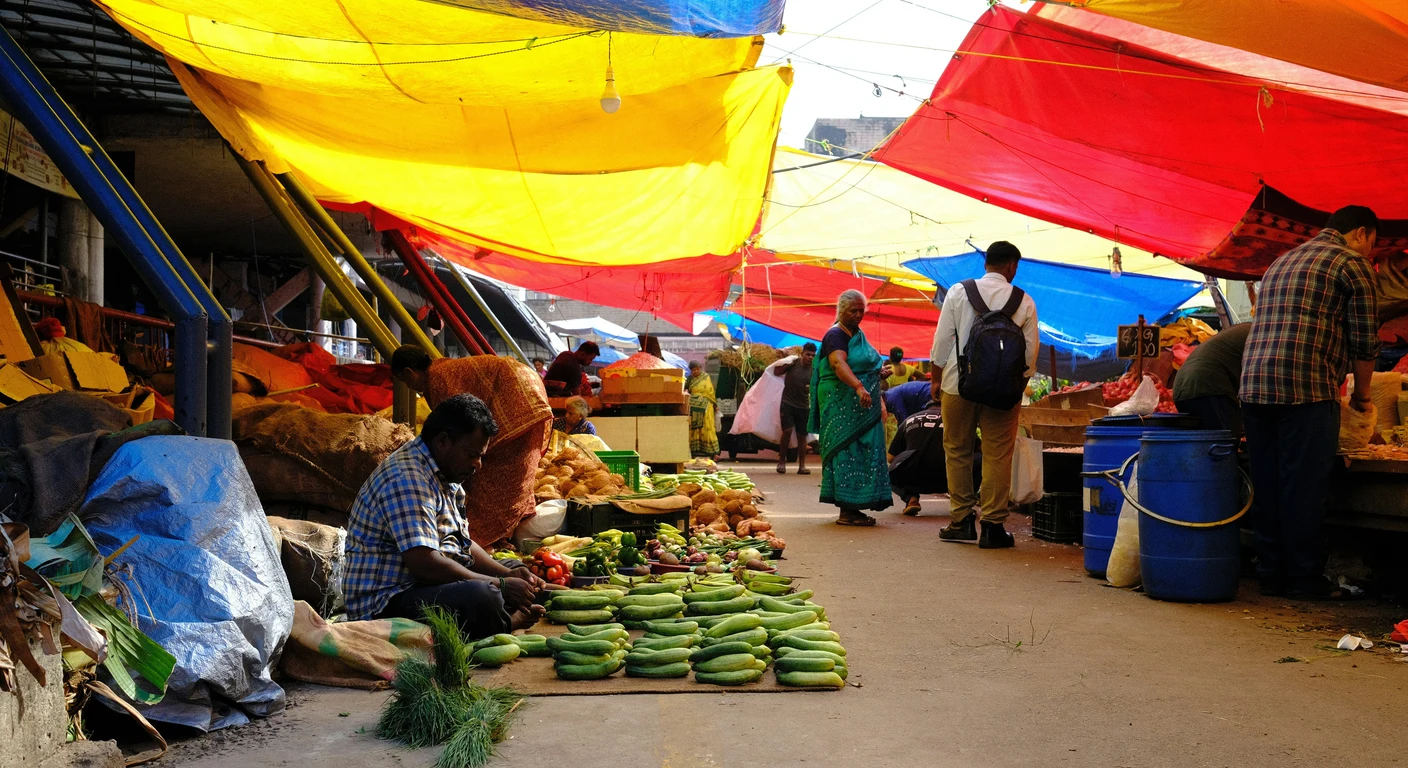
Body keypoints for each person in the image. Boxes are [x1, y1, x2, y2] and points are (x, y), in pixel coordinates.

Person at [1241, 206, 1381, 600]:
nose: (1370, 252)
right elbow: (1365, 342)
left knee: (1268, 482)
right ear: (1360, 233)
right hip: (1307, 386)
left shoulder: (1281, 261)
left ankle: (1270, 574)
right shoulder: (1352, 263)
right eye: (1372, 243)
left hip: (1254, 385)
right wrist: (1363, 397)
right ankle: (1303, 580)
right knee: (1303, 486)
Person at [343, 394, 547, 638]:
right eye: (472, 455)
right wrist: (499, 585)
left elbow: (462, 544)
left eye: (480, 456)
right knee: (483, 597)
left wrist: (506, 575)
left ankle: (502, 611)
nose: (478, 464)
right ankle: (508, 622)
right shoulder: (407, 479)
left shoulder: (445, 474)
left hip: (424, 586)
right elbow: (425, 565)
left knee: (514, 570)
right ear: (442, 442)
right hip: (385, 604)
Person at [930, 241, 1038, 549]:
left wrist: (936, 378)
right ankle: (992, 526)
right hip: (1004, 391)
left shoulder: (958, 291)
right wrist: (1016, 385)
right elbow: (1030, 353)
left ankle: (961, 521)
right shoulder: (1024, 300)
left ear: (986, 263)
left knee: (957, 450)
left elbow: (942, 340)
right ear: (1011, 266)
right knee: (998, 454)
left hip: (958, 384)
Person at [389, 346, 552, 545]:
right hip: (529, 393)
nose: (409, 386)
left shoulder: (436, 379)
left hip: (518, 404)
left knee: (494, 478)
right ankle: (496, 537)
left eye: (405, 381)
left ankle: (487, 537)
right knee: (499, 474)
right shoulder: (441, 369)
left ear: (409, 372)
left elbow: (454, 432)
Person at [811, 290, 894, 526]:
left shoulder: (857, 334)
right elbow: (838, 364)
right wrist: (858, 386)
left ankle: (854, 508)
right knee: (846, 450)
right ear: (841, 311)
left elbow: (860, 365)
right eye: (852, 311)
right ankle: (847, 511)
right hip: (841, 404)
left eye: (861, 310)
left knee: (862, 451)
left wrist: (876, 373)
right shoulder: (835, 335)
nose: (858, 315)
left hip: (860, 405)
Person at [1173, 323, 1251, 438]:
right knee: (1224, 441)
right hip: (1208, 386)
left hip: (1181, 386)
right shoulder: (1259, 336)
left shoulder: (1246, 330)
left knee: (1203, 442)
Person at [887, 399, 947, 516]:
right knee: (978, 459)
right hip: (950, 477)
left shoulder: (910, 419)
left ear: (925, 409)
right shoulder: (956, 419)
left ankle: (911, 498)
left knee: (890, 472)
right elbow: (977, 448)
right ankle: (963, 503)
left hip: (916, 475)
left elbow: (890, 458)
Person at [771, 342, 817, 475]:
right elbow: (776, 372)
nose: (810, 357)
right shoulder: (793, 363)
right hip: (788, 403)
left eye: (813, 355)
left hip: (804, 406)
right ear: (802, 354)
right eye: (808, 354)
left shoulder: (815, 369)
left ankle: (802, 466)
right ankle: (781, 461)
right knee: (787, 431)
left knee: (802, 437)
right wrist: (786, 364)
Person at [686, 360, 719, 458]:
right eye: (693, 370)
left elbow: (710, 391)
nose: (695, 371)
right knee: (693, 428)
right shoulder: (690, 379)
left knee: (707, 428)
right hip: (693, 406)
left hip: (706, 406)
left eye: (697, 369)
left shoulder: (706, 377)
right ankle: (695, 451)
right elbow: (685, 389)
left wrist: (715, 405)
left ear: (700, 368)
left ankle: (713, 452)